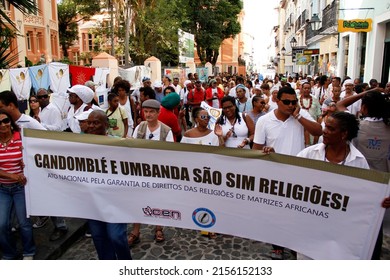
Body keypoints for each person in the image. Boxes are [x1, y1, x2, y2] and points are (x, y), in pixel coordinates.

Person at [296, 111, 370, 259]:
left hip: (340, 232)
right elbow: (289, 177)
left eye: (330, 128)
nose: (324, 131)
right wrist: (274, 157)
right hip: (309, 230)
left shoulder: (359, 162)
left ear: (344, 134)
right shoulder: (310, 154)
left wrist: (382, 200)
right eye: (325, 126)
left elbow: (367, 195)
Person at [337, 89, 390, 259]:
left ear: (364, 108)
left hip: (358, 182)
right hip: (382, 185)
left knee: (354, 223)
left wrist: (366, 92)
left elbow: (341, 104)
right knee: (376, 228)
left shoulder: (356, 126)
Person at [86, 110, 132, 260]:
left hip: (115, 199)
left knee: (116, 236)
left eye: (96, 122)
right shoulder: (79, 145)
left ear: (106, 125)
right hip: (93, 201)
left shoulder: (118, 144)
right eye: (89, 122)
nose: (91, 126)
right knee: (99, 238)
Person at [129, 99, 173, 245]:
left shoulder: (166, 130)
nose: (148, 114)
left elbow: (169, 153)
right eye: (145, 111)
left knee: (158, 199)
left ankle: (158, 227)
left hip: (158, 171)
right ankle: (136, 231)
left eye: (151, 112)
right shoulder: (140, 127)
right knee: (137, 199)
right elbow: (133, 147)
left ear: (158, 113)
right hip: (141, 170)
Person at [180, 107, 224, 239]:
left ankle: (211, 226)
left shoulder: (213, 133)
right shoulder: (188, 134)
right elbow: (182, 153)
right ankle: (201, 223)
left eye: (208, 117)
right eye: (203, 117)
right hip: (195, 173)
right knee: (198, 199)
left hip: (211, 173)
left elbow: (221, 151)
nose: (206, 120)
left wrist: (220, 137)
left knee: (211, 200)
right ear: (196, 119)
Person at [0, 110, 35, 260]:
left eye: (6, 121)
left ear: (10, 122)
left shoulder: (22, 139)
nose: (3, 125)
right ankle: (9, 253)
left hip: (21, 188)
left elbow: (33, 158)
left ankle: (29, 251)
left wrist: (25, 162)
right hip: (3, 189)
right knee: (2, 224)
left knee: (24, 222)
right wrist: (12, 175)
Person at [253, 86, 322, 156]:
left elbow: (318, 131)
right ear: (277, 101)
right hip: (274, 165)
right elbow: (256, 150)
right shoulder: (263, 120)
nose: (290, 105)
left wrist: (298, 117)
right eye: (286, 102)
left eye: (293, 102)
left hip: (296, 165)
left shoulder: (301, 114)